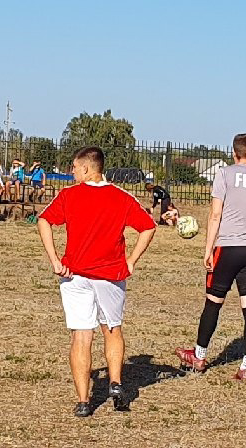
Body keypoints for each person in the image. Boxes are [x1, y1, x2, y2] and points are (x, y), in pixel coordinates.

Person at [37, 146, 159, 417]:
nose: (72, 173)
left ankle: (83, 401)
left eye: (74, 168)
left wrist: (55, 259)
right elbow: (148, 227)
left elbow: (43, 220)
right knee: (112, 329)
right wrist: (131, 260)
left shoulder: (69, 195)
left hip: (74, 275)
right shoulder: (121, 197)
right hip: (111, 276)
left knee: (82, 336)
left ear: (86, 168)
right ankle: (115, 383)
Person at [178, 133, 246, 380]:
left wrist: (208, 249)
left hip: (228, 248)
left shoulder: (225, 174)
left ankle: (199, 356)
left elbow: (215, 214)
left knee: (213, 301)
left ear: (234, 153)